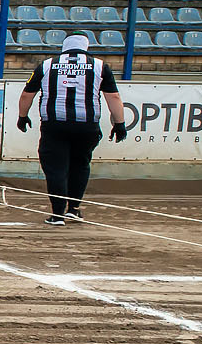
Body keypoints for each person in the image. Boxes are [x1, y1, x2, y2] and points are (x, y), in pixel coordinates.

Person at [15, 33, 128, 225]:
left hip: (55, 125)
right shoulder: (100, 66)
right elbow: (114, 98)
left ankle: (57, 213)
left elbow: (27, 94)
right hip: (87, 126)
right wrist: (119, 124)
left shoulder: (47, 65)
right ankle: (73, 209)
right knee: (80, 165)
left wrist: (22, 117)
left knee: (56, 168)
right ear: (86, 46)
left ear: (64, 46)